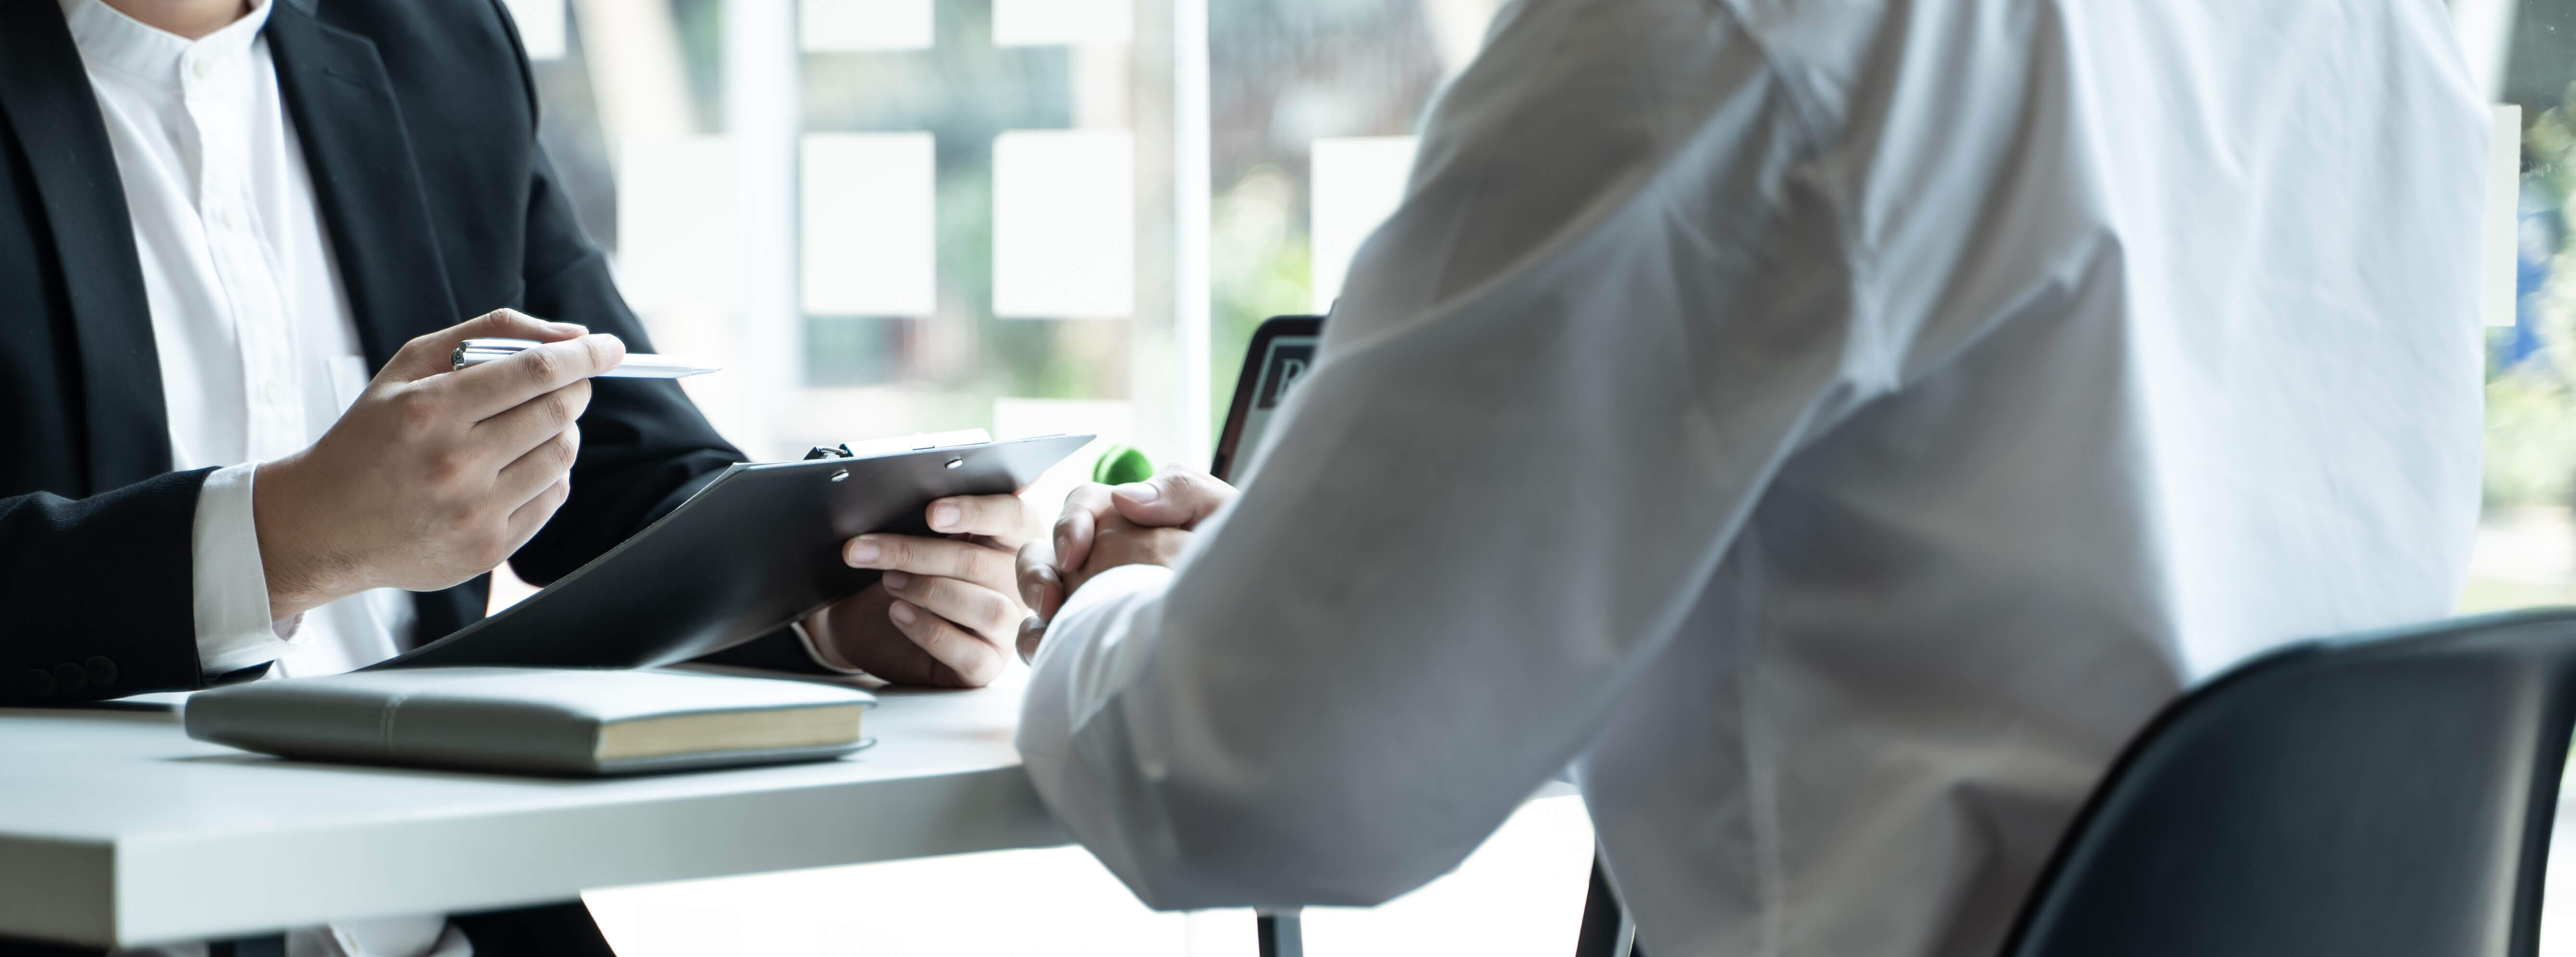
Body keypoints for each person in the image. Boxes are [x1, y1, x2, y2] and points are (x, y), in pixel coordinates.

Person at [1010, 1, 2487, 956]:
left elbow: (1251, 779)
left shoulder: (1712, 30)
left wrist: (1117, 615)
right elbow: (1955, 605)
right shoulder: (2385, 25)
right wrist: (1342, 584)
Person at [0, 0, 1035, 953]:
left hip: (451, 904)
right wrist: (276, 540)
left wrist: (835, 591)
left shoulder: (435, 41)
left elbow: (639, 469)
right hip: (58, 920)